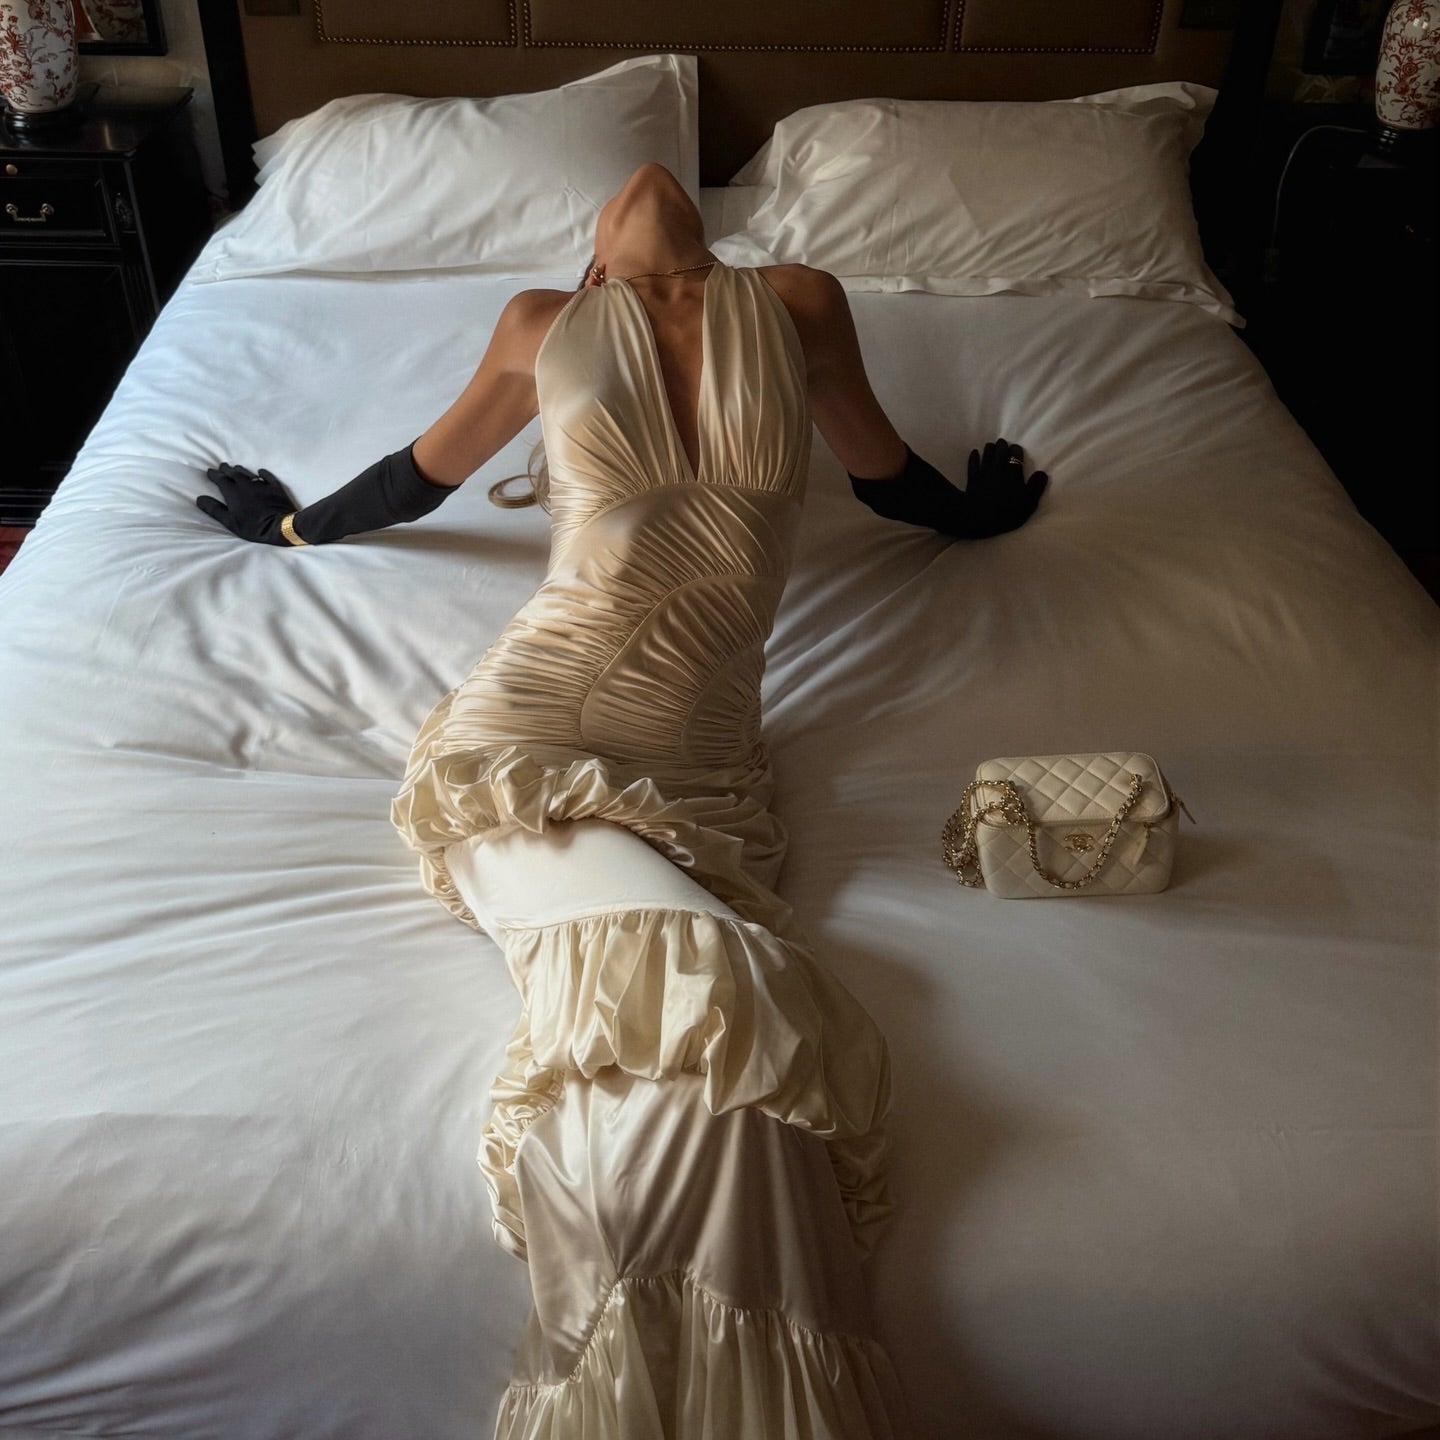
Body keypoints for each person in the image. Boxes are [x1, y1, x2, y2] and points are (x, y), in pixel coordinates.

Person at [198, 162, 1046, 1439]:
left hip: (701, 763)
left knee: (710, 1041)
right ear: (593, 254)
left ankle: (692, 1373)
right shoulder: (544, 325)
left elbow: (879, 473)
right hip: (525, 738)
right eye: (614, 190)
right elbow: (425, 473)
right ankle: (652, 1371)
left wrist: (971, 517)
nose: (645, 179)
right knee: (714, 988)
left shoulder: (802, 304)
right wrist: (293, 532)